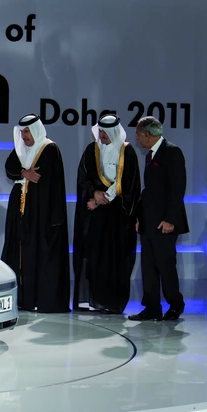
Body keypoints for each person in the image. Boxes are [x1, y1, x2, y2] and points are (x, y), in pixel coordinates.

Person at [1, 114, 70, 312]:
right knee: (18, 252)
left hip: (41, 213)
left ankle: (39, 300)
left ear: (36, 131)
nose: (24, 136)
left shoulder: (49, 148)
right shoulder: (20, 149)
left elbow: (46, 180)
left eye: (27, 131)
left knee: (38, 254)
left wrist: (26, 174)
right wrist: (24, 172)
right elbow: (10, 167)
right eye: (22, 131)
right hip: (20, 212)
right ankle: (23, 298)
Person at [72, 114, 140, 314]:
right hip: (94, 215)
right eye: (100, 130)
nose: (102, 134)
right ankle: (92, 301)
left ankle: (112, 303)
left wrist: (105, 197)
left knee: (114, 258)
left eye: (105, 131)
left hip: (118, 216)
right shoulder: (91, 150)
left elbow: (129, 183)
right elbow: (83, 177)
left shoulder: (127, 151)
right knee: (93, 256)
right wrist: (93, 193)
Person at [128, 116, 188, 321]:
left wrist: (170, 219)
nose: (137, 138)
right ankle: (152, 307)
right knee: (148, 267)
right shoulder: (150, 155)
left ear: (147, 135)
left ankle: (176, 305)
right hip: (149, 222)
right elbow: (150, 191)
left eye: (138, 134)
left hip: (165, 223)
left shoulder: (172, 152)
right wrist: (140, 217)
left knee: (165, 266)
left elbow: (177, 189)